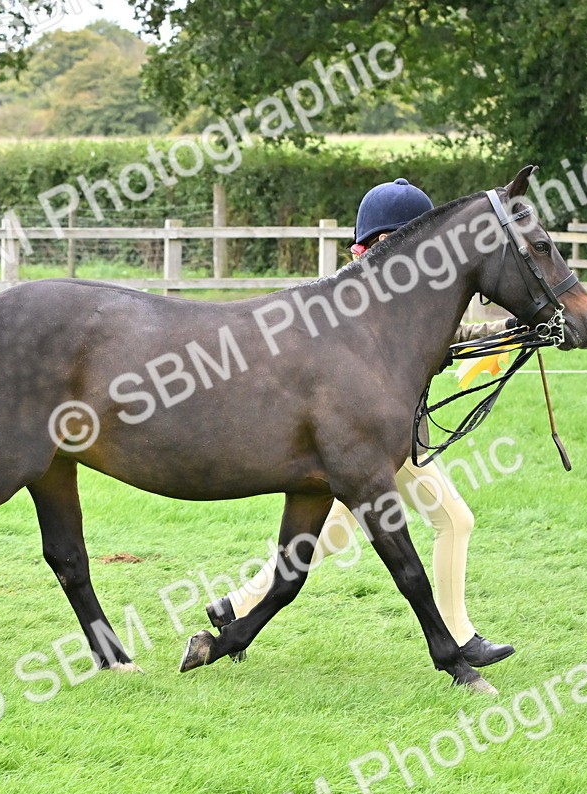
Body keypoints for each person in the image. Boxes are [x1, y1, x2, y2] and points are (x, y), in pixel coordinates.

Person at [206, 178, 517, 669]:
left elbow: (443, 338)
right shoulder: (357, 301)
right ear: (375, 246)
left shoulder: (399, 298)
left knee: (333, 532)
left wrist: (505, 330)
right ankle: (459, 637)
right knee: (453, 519)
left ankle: (237, 605)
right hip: (370, 440)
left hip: (373, 440)